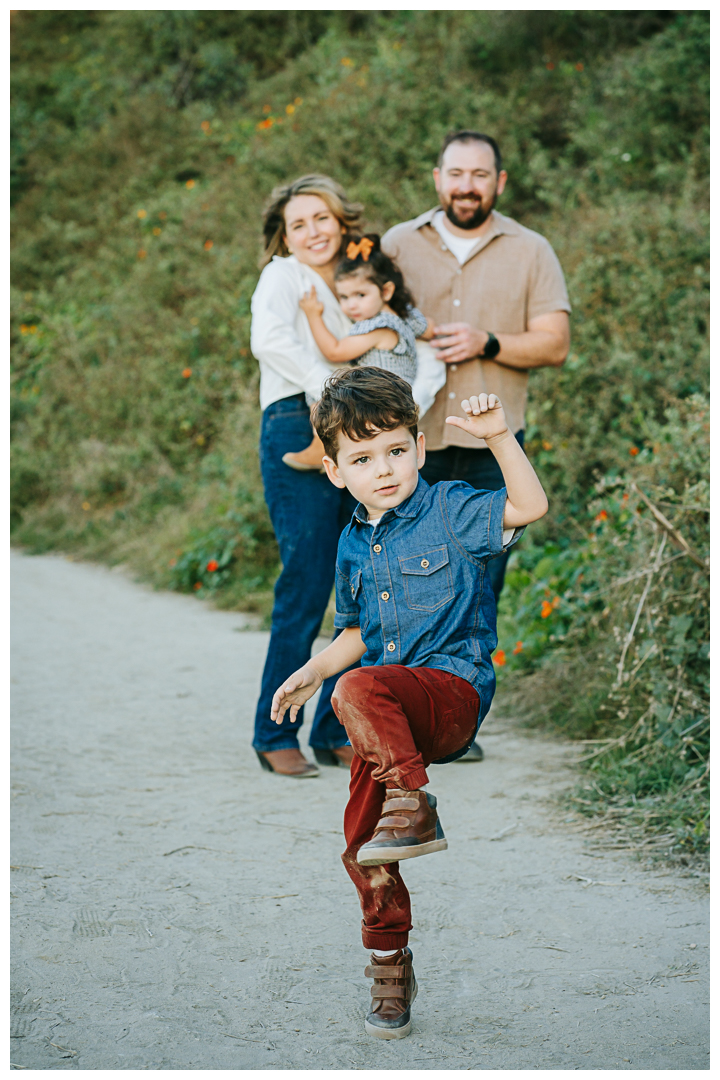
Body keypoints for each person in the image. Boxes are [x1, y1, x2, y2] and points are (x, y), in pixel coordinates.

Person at [271, 367, 548, 1039]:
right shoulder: (352, 543)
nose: (384, 469)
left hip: (449, 697)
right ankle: (390, 967)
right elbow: (357, 634)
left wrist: (501, 438)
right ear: (335, 472)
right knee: (361, 848)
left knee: (360, 686)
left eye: (396, 450)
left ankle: (414, 803)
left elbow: (528, 507)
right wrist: (312, 669)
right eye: (362, 459)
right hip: (385, 724)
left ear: (420, 449)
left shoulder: (451, 508)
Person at [382, 129, 571, 762]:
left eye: (480, 175)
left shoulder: (531, 250)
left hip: (495, 446)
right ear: (437, 178)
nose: (467, 185)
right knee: (404, 583)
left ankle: (459, 725)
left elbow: (554, 343)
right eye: (456, 173)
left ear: (500, 182)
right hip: (409, 444)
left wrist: (488, 342)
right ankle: (398, 718)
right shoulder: (397, 245)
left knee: (479, 589)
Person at [249, 174, 362, 776]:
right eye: (299, 223)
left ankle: (333, 726)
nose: (313, 231)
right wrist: (328, 387)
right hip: (297, 421)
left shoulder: (353, 283)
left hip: (357, 428)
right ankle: (274, 733)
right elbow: (267, 340)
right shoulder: (282, 277)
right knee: (307, 578)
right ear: (285, 236)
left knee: (361, 577)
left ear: (342, 221)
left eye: (322, 218)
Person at [283, 234, 437, 471]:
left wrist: (313, 315)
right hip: (394, 396)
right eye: (344, 297)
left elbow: (335, 351)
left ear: (386, 292)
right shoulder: (404, 316)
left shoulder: (379, 326)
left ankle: (320, 446)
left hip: (379, 399)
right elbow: (431, 329)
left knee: (321, 391)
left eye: (360, 295)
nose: (350, 305)